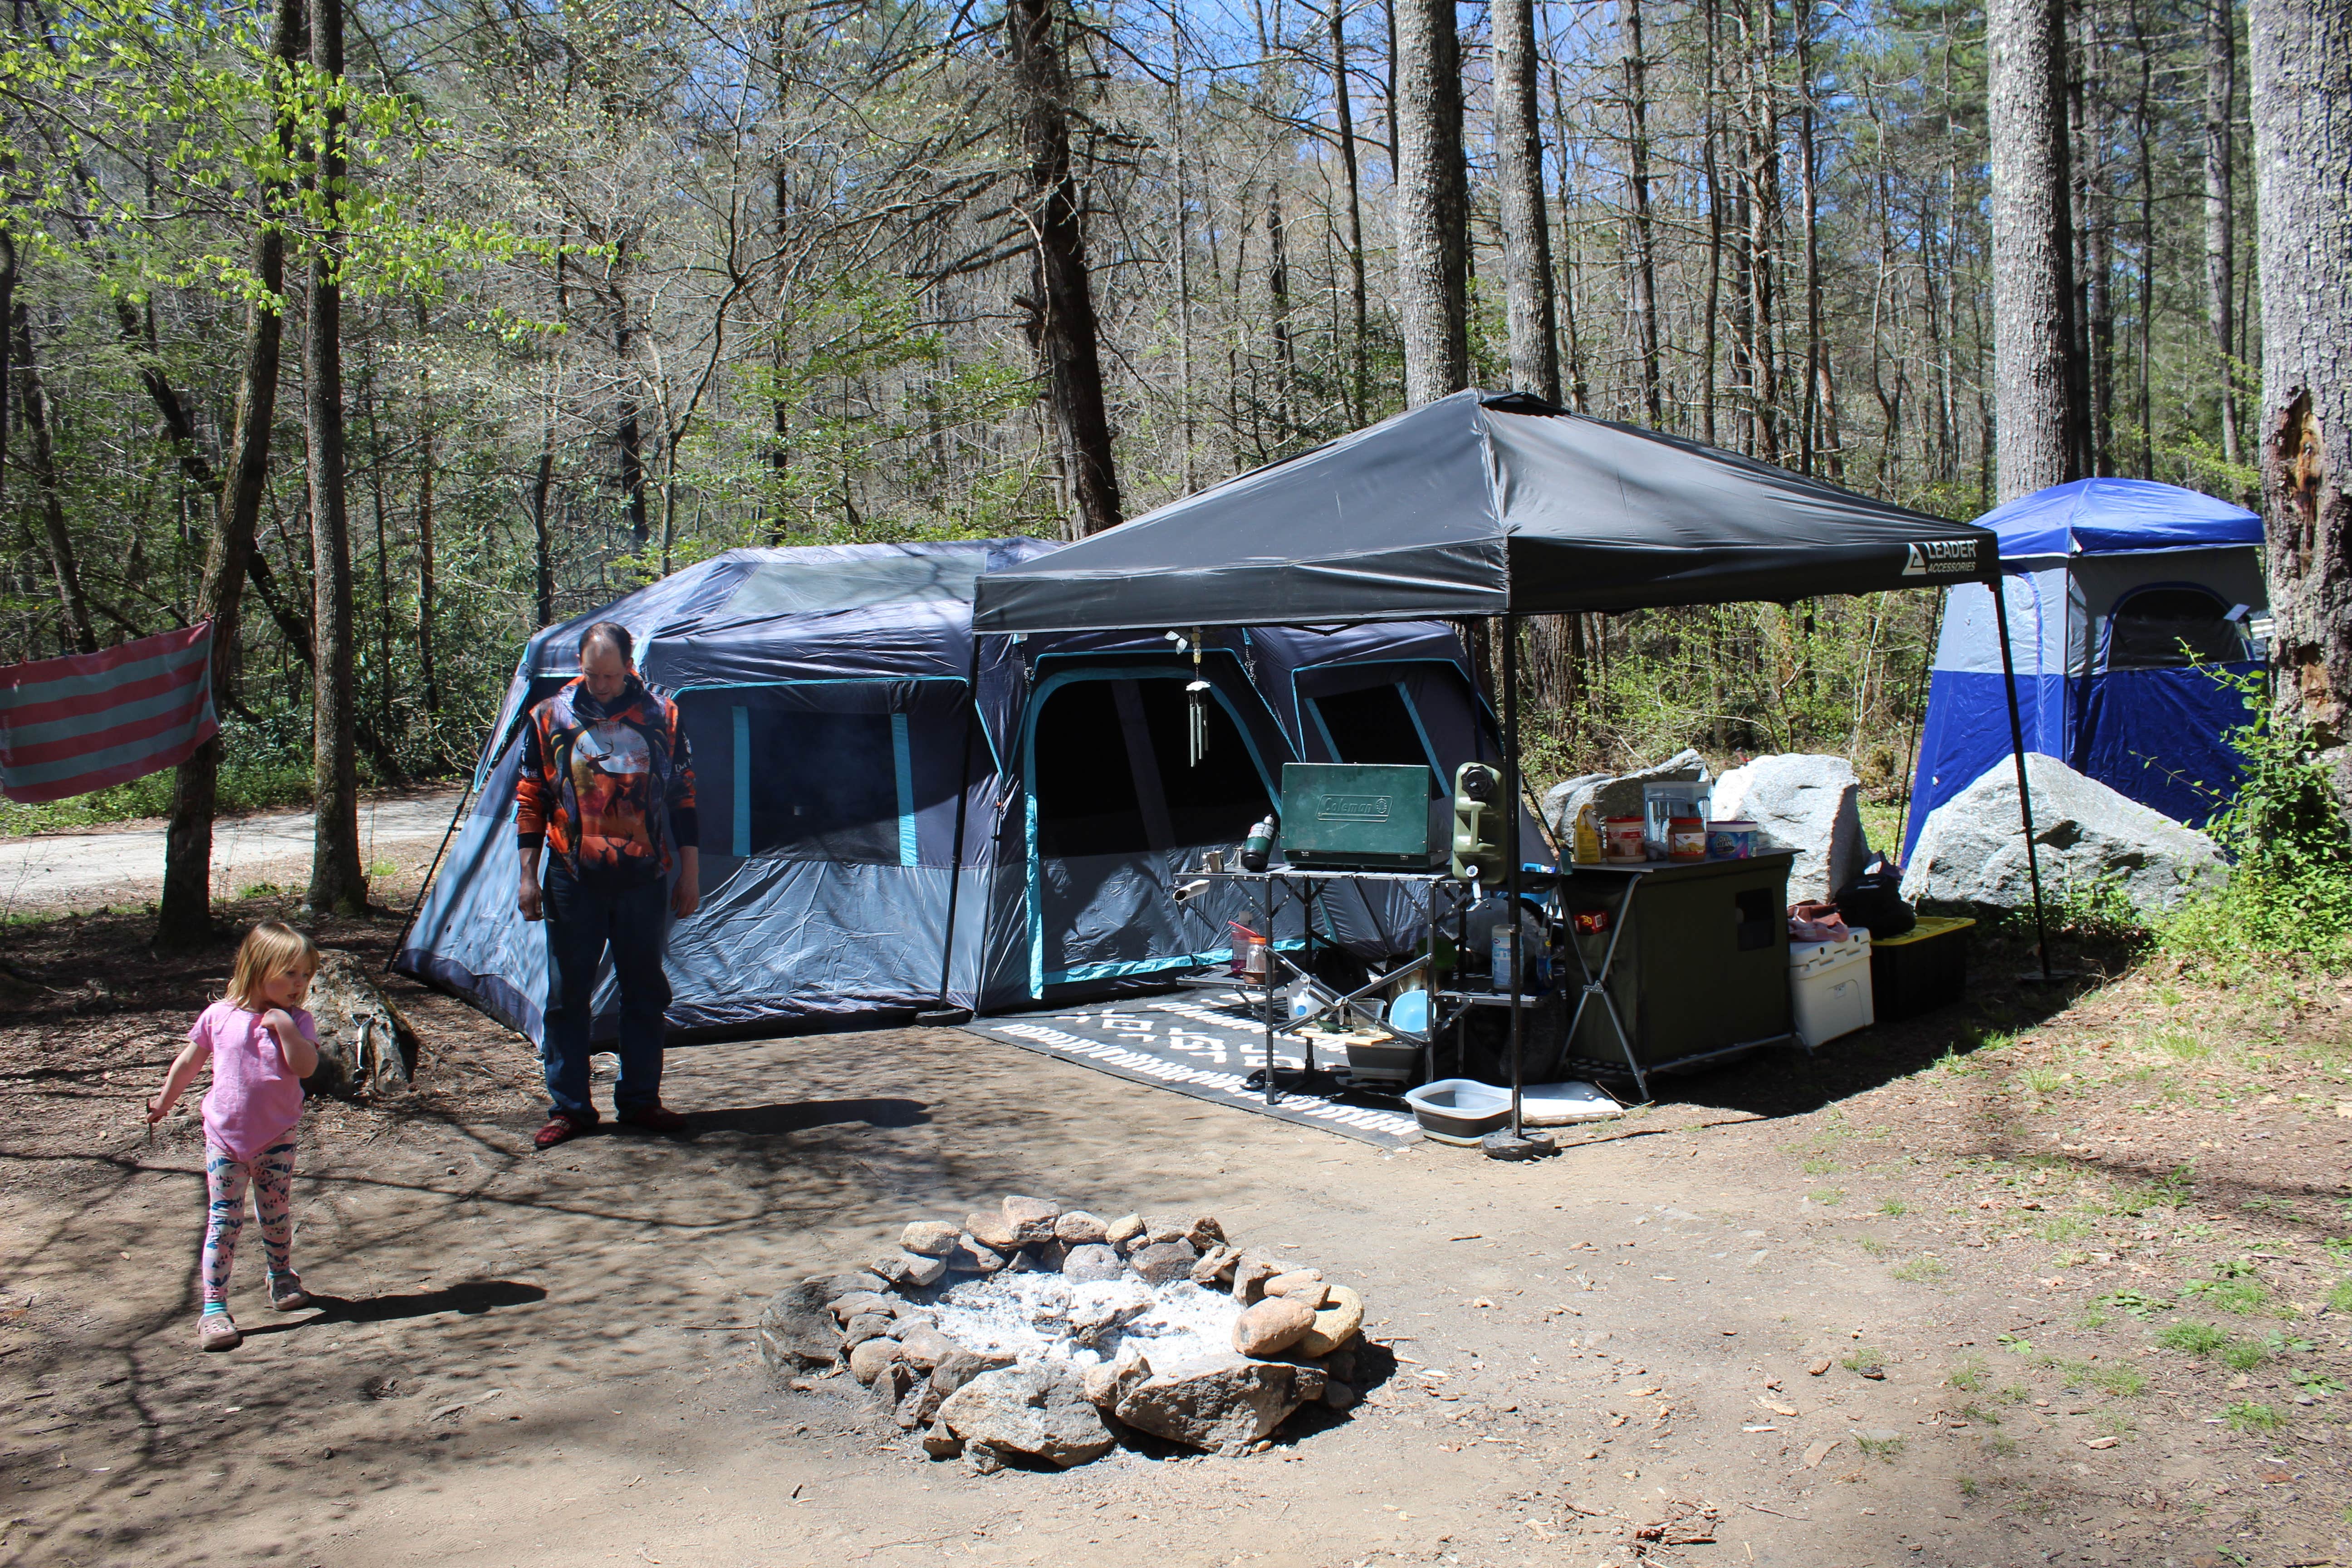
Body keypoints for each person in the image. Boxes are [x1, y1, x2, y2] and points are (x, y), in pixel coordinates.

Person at [516, 620, 700, 1150]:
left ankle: (641, 1100)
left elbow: (683, 798)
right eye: (592, 674)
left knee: (644, 990)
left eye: (611, 675)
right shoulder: (550, 717)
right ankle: (570, 1108)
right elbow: (532, 799)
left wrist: (690, 872)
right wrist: (527, 877)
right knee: (567, 995)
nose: (600, 685)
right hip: (573, 877)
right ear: (581, 666)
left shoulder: (662, 717)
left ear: (630, 668)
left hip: (645, 877)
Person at [146, 921, 321, 1352]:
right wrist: (165, 1101)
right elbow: (189, 1062)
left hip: (277, 1137)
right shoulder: (219, 1016)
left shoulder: (298, 1021)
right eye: (290, 973)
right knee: (224, 1221)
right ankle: (213, 1309)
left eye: (305, 975)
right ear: (258, 968)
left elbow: (306, 1068)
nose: (299, 984)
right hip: (225, 1139)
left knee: (275, 1212)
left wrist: (283, 1026)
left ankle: (281, 1275)